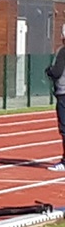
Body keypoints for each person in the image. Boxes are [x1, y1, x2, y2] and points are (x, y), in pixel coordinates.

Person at [46, 30, 65, 172]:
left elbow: (57, 71)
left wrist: (49, 71)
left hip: (64, 92)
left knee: (64, 128)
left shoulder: (62, 51)